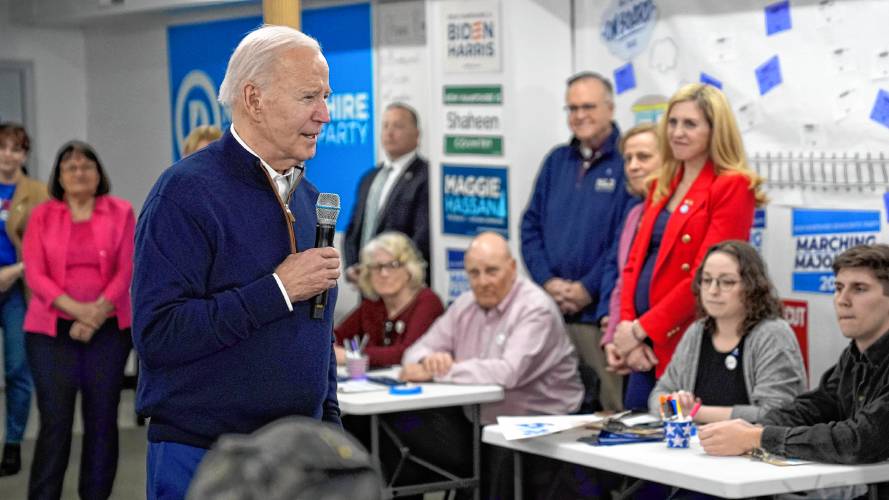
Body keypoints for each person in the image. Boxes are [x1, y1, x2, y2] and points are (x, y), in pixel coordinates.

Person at [132, 25, 341, 499]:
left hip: (300, 457)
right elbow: (159, 335)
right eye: (309, 96)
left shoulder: (310, 200)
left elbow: (316, 336)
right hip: (205, 457)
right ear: (254, 98)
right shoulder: (184, 194)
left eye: (326, 96)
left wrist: (330, 431)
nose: (324, 114)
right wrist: (278, 290)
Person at [613, 83, 766, 411]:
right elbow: (633, 264)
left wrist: (642, 329)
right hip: (641, 344)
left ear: (715, 131)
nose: (677, 133)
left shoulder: (732, 186)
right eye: (672, 122)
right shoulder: (662, 182)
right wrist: (627, 329)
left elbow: (705, 277)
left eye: (690, 124)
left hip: (685, 341)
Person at [398, 232, 583, 498]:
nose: (482, 281)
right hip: (482, 423)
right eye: (474, 273)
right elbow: (414, 354)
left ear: (512, 268)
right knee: (402, 435)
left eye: (491, 271)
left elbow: (507, 373)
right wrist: (428, 360)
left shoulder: (535, 309)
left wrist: (442, 370)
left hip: (539, 426)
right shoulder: (465, 305)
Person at [700, 244, 889, 471]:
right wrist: (755, 428)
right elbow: (814, 407)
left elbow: (858, 441)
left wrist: (757, 436)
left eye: (859, 289)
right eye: (838, 288)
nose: (842, 299)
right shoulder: (854, 355)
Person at [23, 141, 134, 499]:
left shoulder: (120, 212)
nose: (79, 172)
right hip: (50, 331)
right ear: (58, 176)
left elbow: (128, 267)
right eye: (70, 167)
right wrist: (78, 310)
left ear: (99, 173)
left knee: (102, 421)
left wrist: (96, 313)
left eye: (87, 165)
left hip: (108, 330)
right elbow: (36, 274)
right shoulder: (42, 215)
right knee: (55, 421)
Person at [520, 72, 629, 412]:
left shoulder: (629, 162)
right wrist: (548, 281)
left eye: (588, 106)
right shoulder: (557, 161)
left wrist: (586, 288)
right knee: (553, 412)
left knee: (610, 414)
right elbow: (530, 226)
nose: (579, 115)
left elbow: (623, 241)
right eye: (572, 108)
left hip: (598, 318)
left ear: (610, 109)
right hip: (553, 316)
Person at [648, 241, 807, 424]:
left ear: (752, 287)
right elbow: (657, 398)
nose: (713, 291)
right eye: (707, 280)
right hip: (697, 449)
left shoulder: (772, 334)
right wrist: (676, 405)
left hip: (754, 450)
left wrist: (695, 412)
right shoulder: (697, 332)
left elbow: (776, 413)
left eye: (727, 282)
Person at [0, 123, 47, 477]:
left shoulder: (38, 192)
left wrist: (15, 270)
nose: (8, 155)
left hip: (16, 288)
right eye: (2, 147)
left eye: (16, 149)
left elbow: (49, 247)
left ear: (25, 154)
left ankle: (13, 442)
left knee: (17, 368)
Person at [598, 123, 662, 376]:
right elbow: (623, 283)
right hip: (632, 344)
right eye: (628, 159)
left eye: (644, 157)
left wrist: (636, 336)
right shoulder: (634, 214)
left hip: (663, 345)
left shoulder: (677, 217)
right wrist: (615, 338)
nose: (633, 166)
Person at [343, 102, 429, 284]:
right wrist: (352, 265)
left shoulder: (426, 177)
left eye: (397, 126)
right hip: (367, 284)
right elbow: (354, 228)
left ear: (417, 134)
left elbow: (422, 236)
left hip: (403, 286)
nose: (389, 132)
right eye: (385, 126)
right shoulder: (369, 177)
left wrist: (389, 270)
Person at [335, 231, 443, 368]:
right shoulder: (373, 304)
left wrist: (350, 356)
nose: (384, 273)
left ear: (409, 269)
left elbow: (406, 353)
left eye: (393, 265)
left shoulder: (428, 302)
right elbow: (335, 336)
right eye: (377, 267)